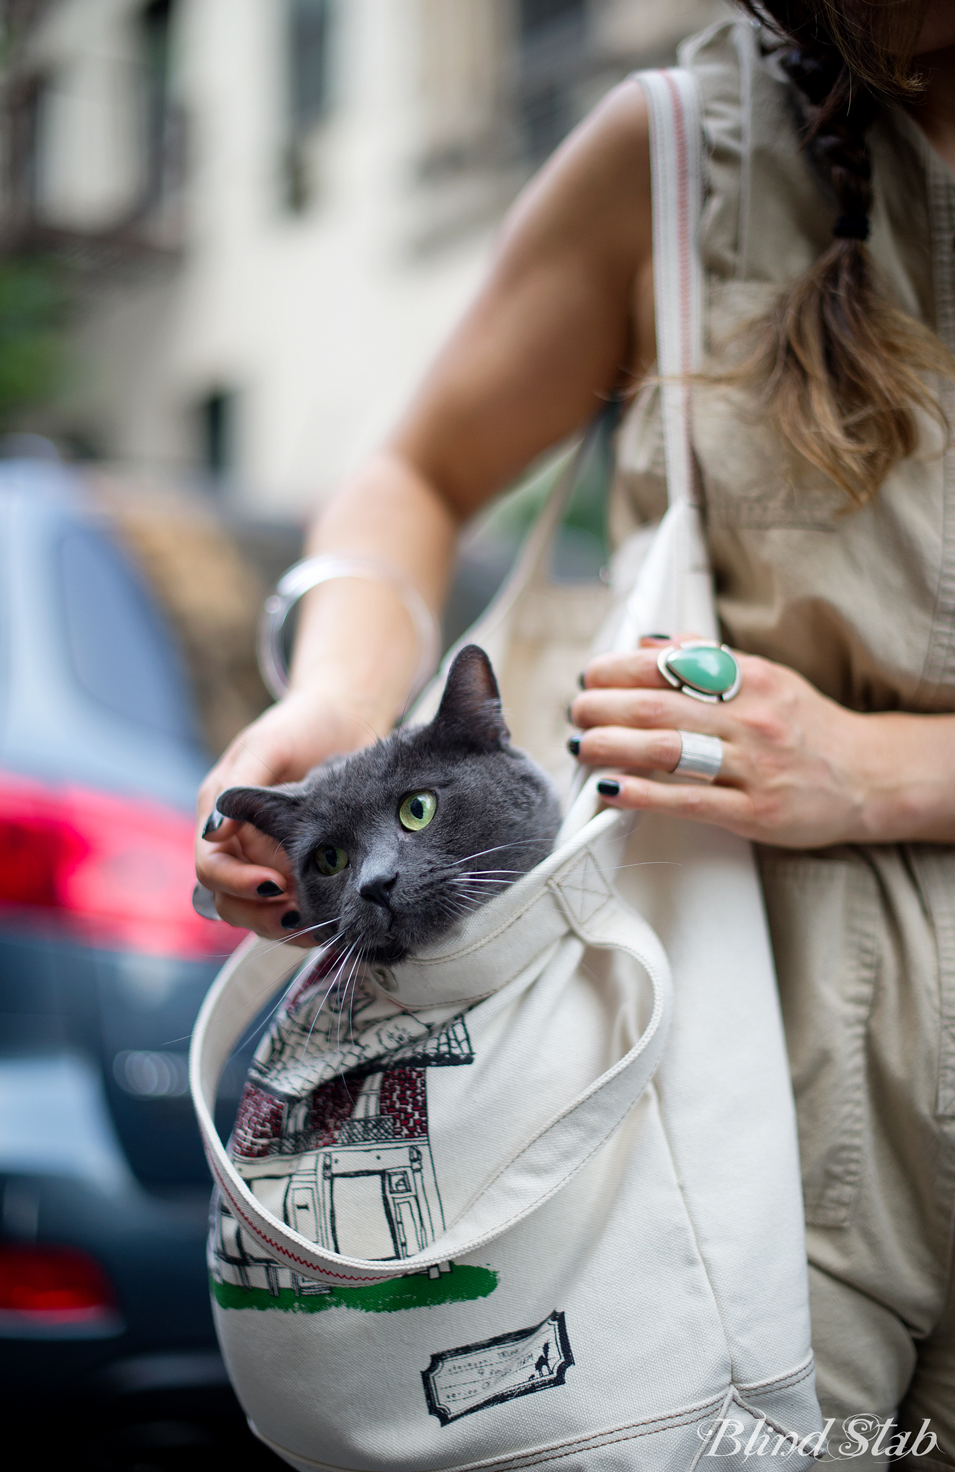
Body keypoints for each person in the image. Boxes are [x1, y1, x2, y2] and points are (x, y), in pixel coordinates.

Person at [196, 2, 955, 1461]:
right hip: (724, 1129)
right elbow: (414, 474)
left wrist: (871, 771)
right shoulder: (682, 153)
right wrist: (344, 707)